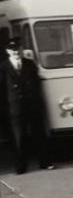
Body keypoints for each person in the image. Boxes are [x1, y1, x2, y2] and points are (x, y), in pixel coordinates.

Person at [0, 37, 53, 174]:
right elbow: (2, 89)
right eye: (12, 50)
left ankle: (45, 162)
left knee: (39, 135)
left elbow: (36, 84)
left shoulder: (30, 64)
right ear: (7, 51)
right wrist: (6, 108)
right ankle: (20, 166)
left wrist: (38, 101)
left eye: (17, 49)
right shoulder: (3, 67)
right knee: (19, 137)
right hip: (15, 107)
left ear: (21, 49)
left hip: (32, 105)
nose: (15, 52)